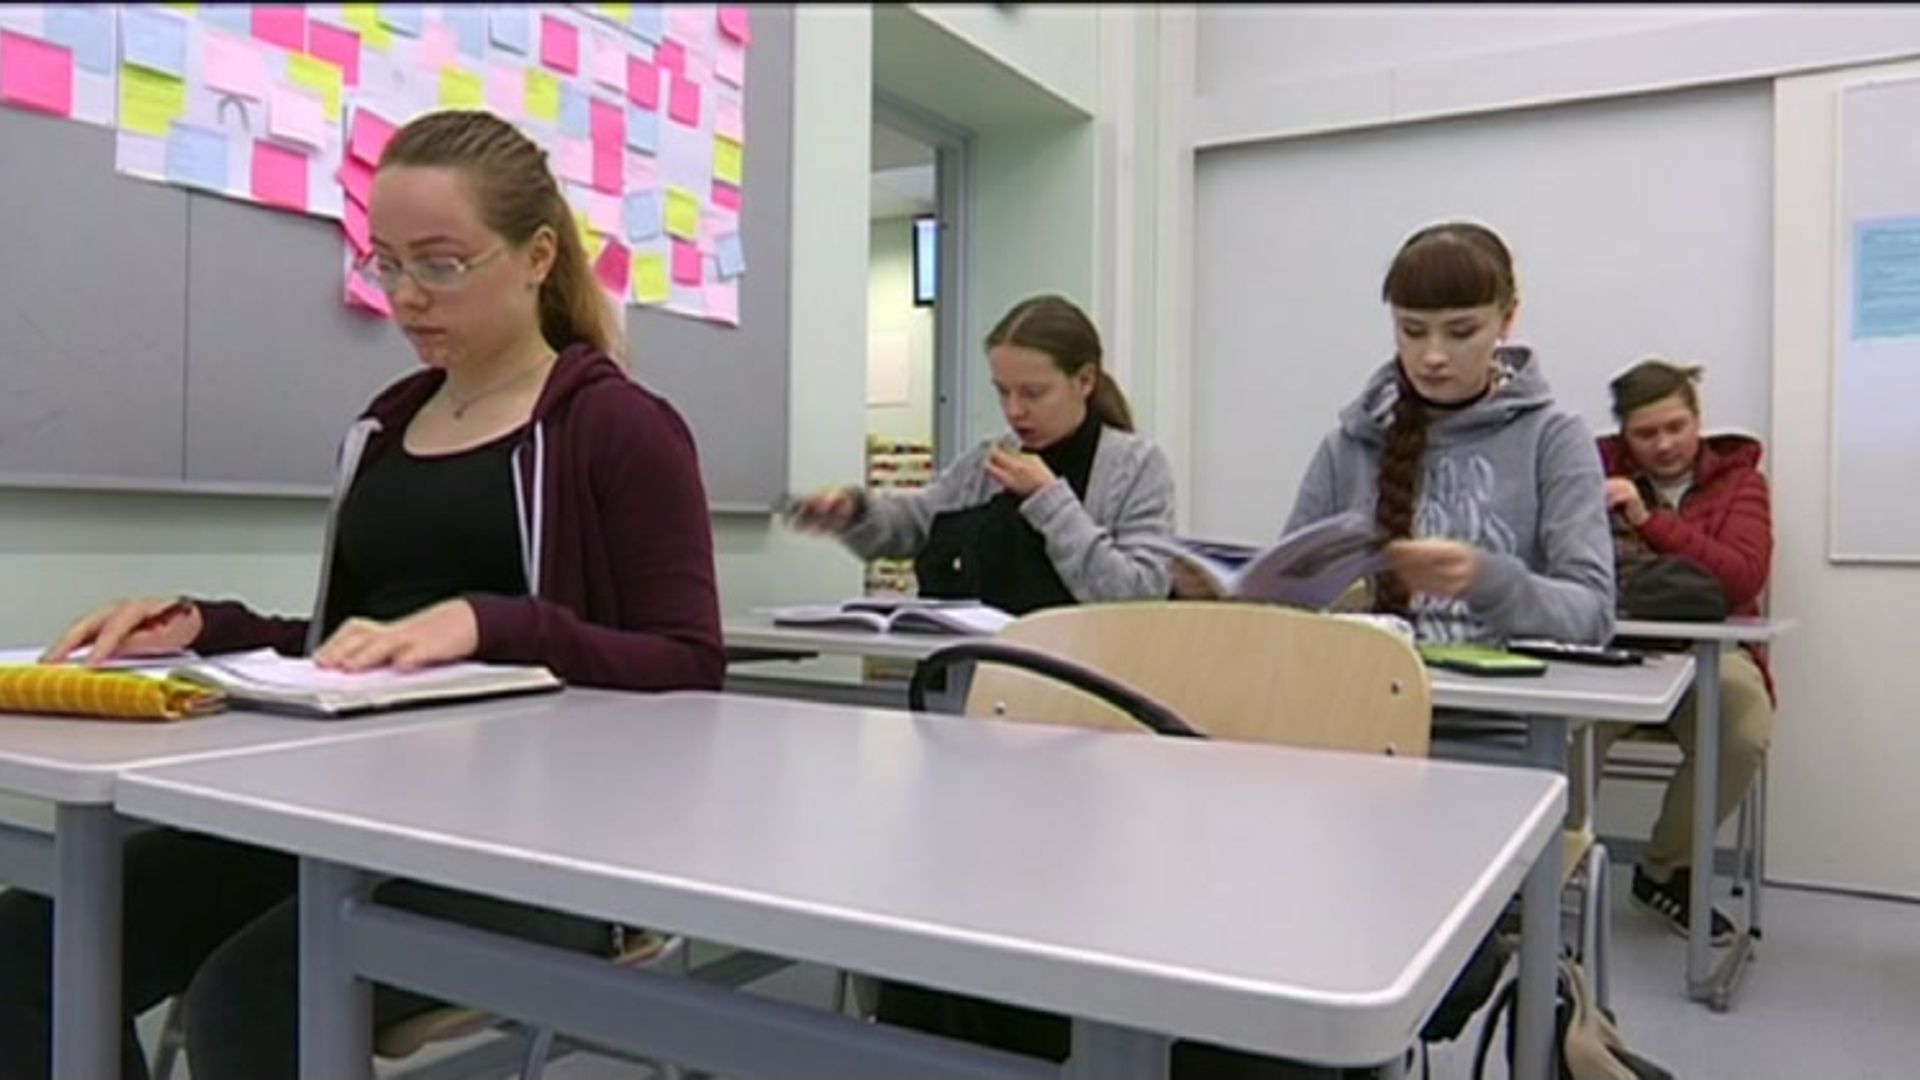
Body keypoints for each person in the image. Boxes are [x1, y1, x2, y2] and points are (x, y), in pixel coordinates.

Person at [0, 110, 723, 1080]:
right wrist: (205, 627)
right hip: (340, 810)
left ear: (537, 256)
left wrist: (494, 626)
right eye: (388, 264)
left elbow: (690, 663)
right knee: (27, 949)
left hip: (540, 843)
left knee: (249, 1003)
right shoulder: (385, 428)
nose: (408, 296)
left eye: (442, 265)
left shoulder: (619, 428)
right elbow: (346, 650)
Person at [1281, 221, 1615, 646]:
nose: (1433, 356)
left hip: (1511, 689)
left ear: (1507, 319)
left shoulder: (1553, 439)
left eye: (1461, 332)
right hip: (1373, 684)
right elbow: (1285, 604)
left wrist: (1490, 581)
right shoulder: (1348, 447)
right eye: (1412, 331)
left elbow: (1593, 617)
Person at [786, 294, 1174, 614]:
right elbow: (914, 524)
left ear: (1085, 380)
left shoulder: (1136, 467)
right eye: (1002, 392)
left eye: (1033, 393)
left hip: (1078, 676)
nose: (1014, 410)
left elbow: (1136, 598)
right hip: (977, 670)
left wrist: (1049, 499)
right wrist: (855, 513)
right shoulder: (989, 459)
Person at [1594, 359, 1774, 945]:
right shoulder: (1589, 471)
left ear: (1699, 421)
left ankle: (1665, 870)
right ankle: (1550, 868)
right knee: (1565, 727)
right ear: (1625, 435)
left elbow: (1742, 577)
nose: (1665, 444)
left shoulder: (1741, 483)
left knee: (1743, 727)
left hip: (1710, 652)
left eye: (1676, 427)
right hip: (1618, 651)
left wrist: (1647, 521)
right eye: (1646, 433)